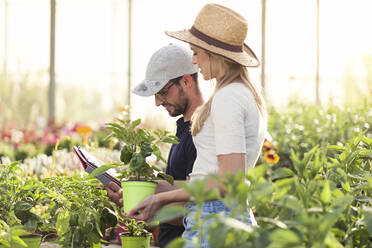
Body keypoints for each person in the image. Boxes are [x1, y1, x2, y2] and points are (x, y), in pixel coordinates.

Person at [127, 4, 267, 248]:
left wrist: (161, 200)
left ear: (214, 54)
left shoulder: (228, 98)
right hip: (221, 216)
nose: (193, 60)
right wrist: (155, 189)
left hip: (213, 219)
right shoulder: (242, 93)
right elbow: (213, 175)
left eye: (196, 52)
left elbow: (227, 181)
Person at [105, 43, 203, 247]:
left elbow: (195, 205)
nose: (158, 102)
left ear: (186, 82)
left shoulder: (200, 133)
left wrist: (147, 207)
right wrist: (134, 196)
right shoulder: (184, 128)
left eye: (163, 92)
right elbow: (180, 188)